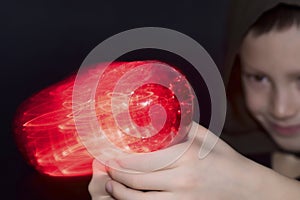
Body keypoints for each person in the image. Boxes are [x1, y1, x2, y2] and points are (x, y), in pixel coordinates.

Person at [88, 0, 300, 199]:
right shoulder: (217, 156)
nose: (281, 109)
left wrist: (252, 187)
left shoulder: (221, 172)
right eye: (259, 78)